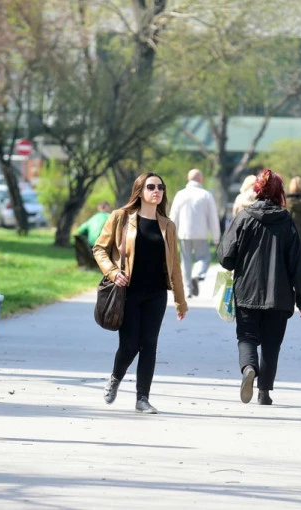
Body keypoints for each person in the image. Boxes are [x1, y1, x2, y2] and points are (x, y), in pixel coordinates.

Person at [217, 169, 301, 406]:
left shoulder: (243, 217)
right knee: (272, 343)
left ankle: (249, 367)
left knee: (246, 336)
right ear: (280, 192)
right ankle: (264, 392)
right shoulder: (286, 221)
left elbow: (225, 256)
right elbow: (297, 263)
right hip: (279, 296)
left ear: (257, 190)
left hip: (246, 291)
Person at [93, 172, 188, 414]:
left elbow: (175, 266)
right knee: (129, 345)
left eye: (161, 187)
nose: (157, 191)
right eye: (151, 187)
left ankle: (142, 398)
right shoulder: (121, 217)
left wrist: (180, 301)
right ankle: (115, 377)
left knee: (149, 344)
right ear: (140, 191)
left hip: (156, 294)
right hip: (129, 293)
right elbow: (99, 249)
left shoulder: (167, 226)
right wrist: (113, 273)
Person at [170, 169, 221, 298]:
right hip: (201, 234)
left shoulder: (180, 194)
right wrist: (216, 237)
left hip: (184, 233)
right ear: (200, 179)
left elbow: (173, 215)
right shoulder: (206, 195)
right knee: (204, 258)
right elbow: (213, 218)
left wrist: (170, 234)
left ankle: (188, 289)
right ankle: (197, 274)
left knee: (186, 261)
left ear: (188, 179)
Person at [74, 201, 111, 269]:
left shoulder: (93, 218)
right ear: (107, 207)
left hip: (91, 246)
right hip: (105, 246)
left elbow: (80, 230)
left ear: (98, 208)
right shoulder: (110, 217)